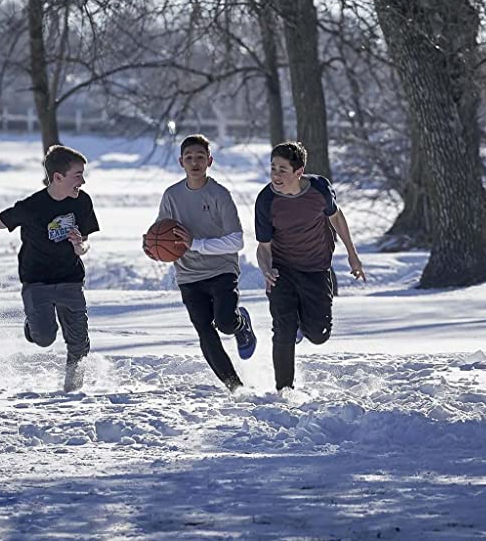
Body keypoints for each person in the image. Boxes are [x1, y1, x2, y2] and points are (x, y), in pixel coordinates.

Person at [0, 144, 100, 392]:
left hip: (71, 280)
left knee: (79, 343)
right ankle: (32, 326)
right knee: (44, 338)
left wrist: (79, 246)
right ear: (57, 177)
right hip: (37, 283)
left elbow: (85, 245)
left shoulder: (83, 202)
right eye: (78, 175)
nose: (83, 181)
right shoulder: (31, 207)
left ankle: (72, 391)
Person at [145, 134, 257, 392]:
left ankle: (241, 323)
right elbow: (163, 232)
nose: (194, 162)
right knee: (205, 331)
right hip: (189, 275)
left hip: (221, 270)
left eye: (200, 157)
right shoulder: (171, 195)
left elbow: (237, 240)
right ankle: (235, 387)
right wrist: (152, 246)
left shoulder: (219, 194)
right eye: (189, 158)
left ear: (210, 161)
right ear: (180, 162)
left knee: (225, 322)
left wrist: (196, 244)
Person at [254, 141, 366, 391]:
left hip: (316, 268)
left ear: (298, 172)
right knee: (283, 328)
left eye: (283, 169)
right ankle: (284, 391)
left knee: (319, 334)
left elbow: (336, 216)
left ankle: (302, 326)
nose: (276, 175)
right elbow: (263, 247)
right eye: (273, 168)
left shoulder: (319, 189)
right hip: (282, 269)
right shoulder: (266, 200)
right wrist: (266, 269)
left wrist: (352, 254)